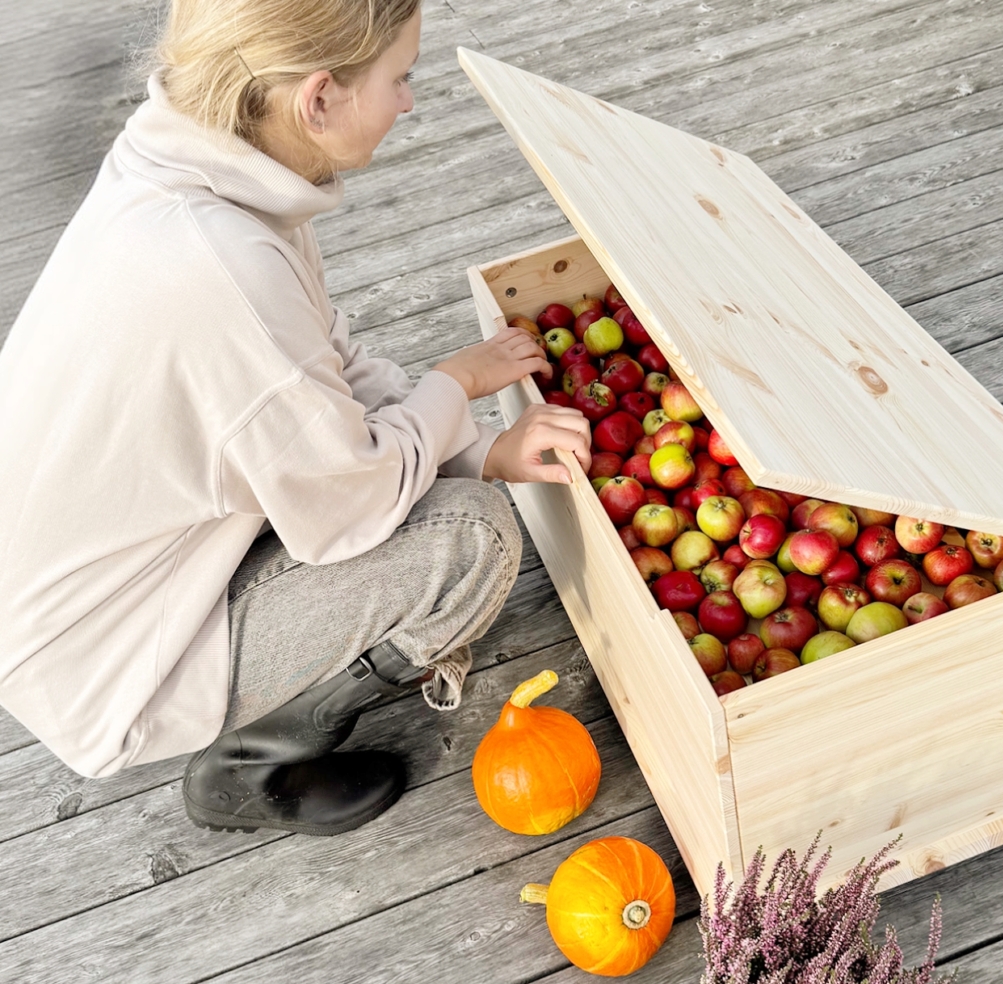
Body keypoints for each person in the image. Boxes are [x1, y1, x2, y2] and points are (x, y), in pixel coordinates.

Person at [0, 0, 591, 836]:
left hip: (81, 580)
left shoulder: (196, 166)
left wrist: (484, 446)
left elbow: (324, 374)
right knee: (474, 541)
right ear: (319, 99)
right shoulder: (224, 272)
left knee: (447, 486)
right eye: (401, 77)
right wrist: (455, 383)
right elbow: (347, 511)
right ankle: (250, 764)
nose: (409, 101)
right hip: (110, 666)